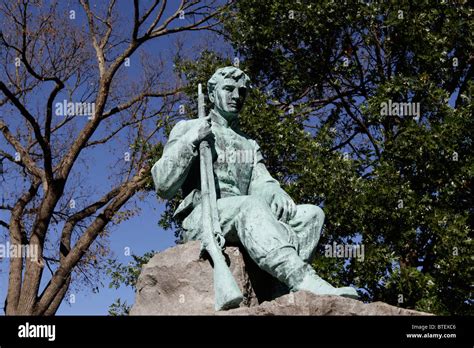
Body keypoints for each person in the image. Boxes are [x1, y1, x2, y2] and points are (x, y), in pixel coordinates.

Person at [151, 66, 358, 299]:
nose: (236, 96)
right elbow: (163, 185)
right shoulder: (188, 127)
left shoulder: (249, 143)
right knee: (249, 206)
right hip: (205, 216)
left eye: (242, 92)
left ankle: (279, 291)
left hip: (246, 208)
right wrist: (191, 141)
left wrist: (275, 190)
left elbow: (261, 181)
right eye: (228, 89)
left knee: (311, 215)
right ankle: (301, 277)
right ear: (211, 95)